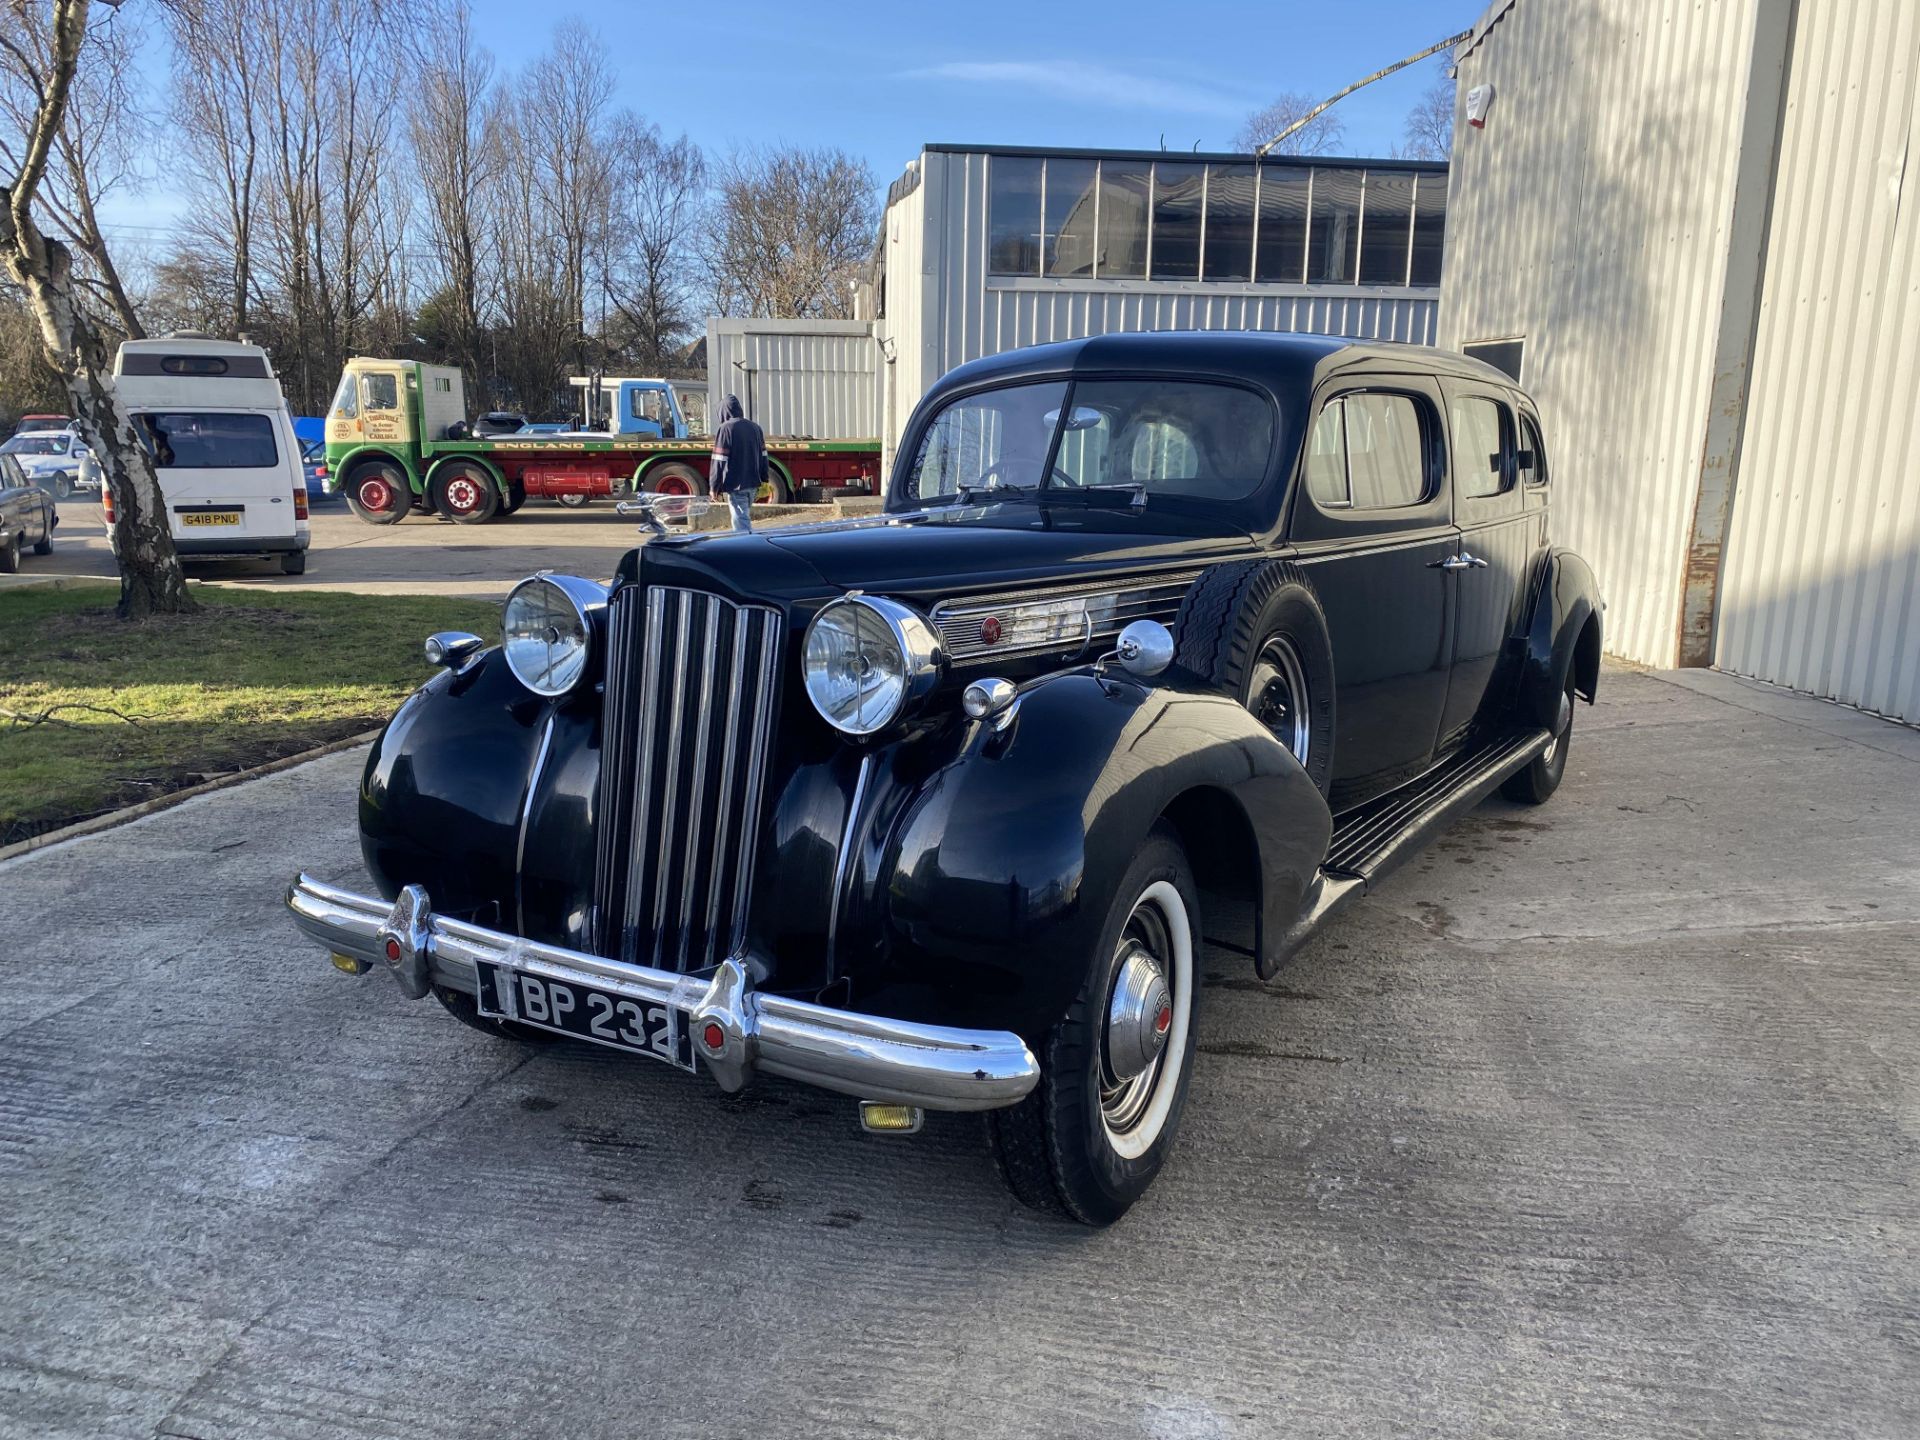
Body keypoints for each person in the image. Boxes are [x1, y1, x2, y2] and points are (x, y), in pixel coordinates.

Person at [709, 393, 767, 532]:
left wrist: (714, 487)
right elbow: (764, 455)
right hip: (753, 484)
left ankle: (745, 549)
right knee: (743, 517)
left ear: (724, 411)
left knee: (741, 522)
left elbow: (719, 461)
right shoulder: (755, 428)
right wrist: (764, 478)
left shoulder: (725, 429)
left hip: (736, 485)